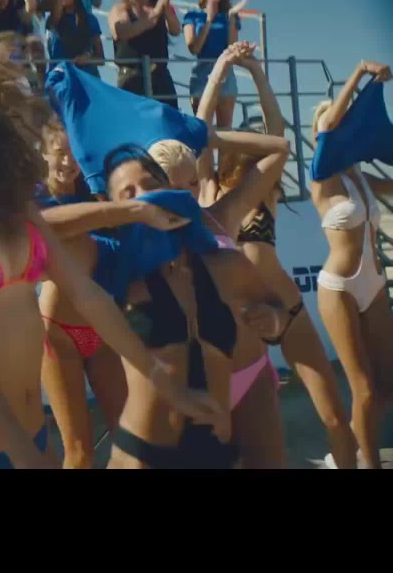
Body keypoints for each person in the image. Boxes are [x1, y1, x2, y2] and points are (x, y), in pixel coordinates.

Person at [0, 39, 223, 469]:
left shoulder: (9, 204)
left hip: (33, 440)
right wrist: (21, 453)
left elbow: (88, 296)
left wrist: (163, 383)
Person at [192, 41, 356, 468]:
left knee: (334, 415)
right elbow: (200, 127)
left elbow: (277, 130)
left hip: (287, 309)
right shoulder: (209, 190)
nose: (257, 146)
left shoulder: (264, 189)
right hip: (238, 322)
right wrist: (220, 68)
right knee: (240, 441)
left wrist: (257, 72)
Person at [95, 144, 286, 468]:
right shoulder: (114, 270)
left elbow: (275, 305)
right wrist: (126, 213)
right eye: (129, 193)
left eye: (151, 186)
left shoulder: (223, 262)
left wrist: (274, 320)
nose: (144, 196)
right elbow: (42, 234)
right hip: (146, 453)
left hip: (222, 437)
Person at [309, 59, 393, 469]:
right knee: (364, 390)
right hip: (339, 288)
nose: (341, 127)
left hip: (373, 284)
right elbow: (328, 127)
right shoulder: (321, 177)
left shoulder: (358, 173)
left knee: (387, 388)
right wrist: (360, 74)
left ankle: (359, 451)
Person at [34, 121, 127, 468]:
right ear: (44, 154)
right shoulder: (35, 199)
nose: (68, 162)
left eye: (74, 154)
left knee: (132, 438)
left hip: (105, 330)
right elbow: (50, 233)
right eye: (60, 153)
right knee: (78, 451)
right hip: (58, 335)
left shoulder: (96, 193)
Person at [109, 0, 180, 107]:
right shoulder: (120, 9)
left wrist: (164, 7)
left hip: (161, 77)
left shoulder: (160, 9)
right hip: (131, 77)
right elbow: (121, 32)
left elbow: (175, 30)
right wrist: (153, 16)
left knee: (168, 119)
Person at [184, 0, 242, 127]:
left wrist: (231, 20)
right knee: (202, 128)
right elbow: (194, 48)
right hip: (201, 73)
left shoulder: (230, 17)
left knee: (225, 129)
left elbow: (232, 48)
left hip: (225, 72)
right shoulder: (192, 16)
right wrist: (209, 19)